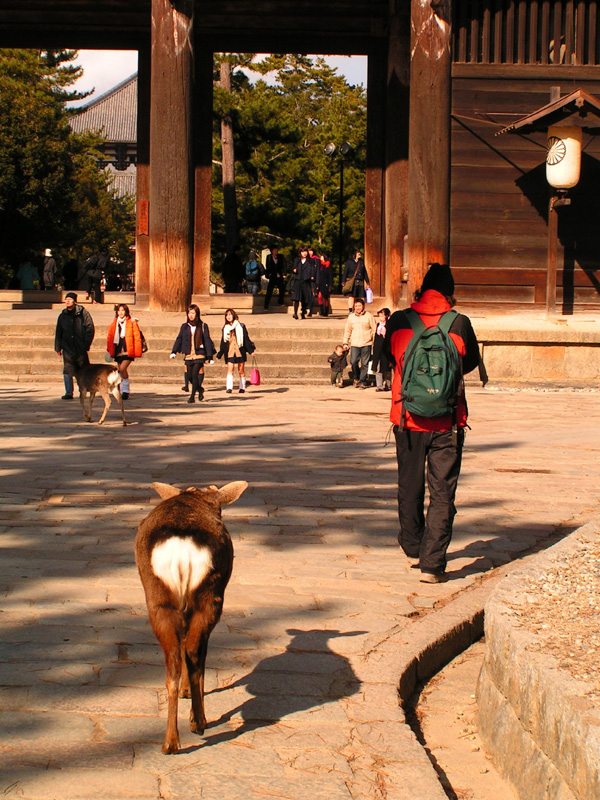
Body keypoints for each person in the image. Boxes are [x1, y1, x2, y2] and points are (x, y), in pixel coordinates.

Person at [384, 263, 480, 584]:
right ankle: (432, 564)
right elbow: (469, 363)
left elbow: (389, 358)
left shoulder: (399, 320)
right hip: (448, 422)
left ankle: (413, 544)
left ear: (423, 289)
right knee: (442, 493)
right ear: (449, 292)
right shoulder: (460, 323)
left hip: (407, 419)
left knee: (409, 486)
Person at [170, 304, 215, 403]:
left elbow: (207, 340)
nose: (191, 315)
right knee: (189, 376)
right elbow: (179, 338)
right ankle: (200, 389)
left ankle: (192, 396)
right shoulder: (185, 326)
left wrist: (210, 356)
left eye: (193, 313)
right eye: (189, 313)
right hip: (189, 354)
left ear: (197, 314)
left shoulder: (203, 326)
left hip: (199, 353)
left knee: (195, 374)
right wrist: (174, 351)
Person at [54, 292, 95, 400]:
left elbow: (89, 328)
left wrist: (86, 344)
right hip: (67, 347)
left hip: (80, 346)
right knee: (67, 370)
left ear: (74, 301)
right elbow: (59, 332)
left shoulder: (83, 313)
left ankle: (85, 388)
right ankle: (68, 392)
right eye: (66, 299)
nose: (67, 301)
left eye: (70, 299)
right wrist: (58, 347)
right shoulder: (62, 315)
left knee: (83, 369)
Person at [106, 303, 143, 400]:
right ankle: (122, 390)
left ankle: (125, 390)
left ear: (126, 311)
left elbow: (137, 337)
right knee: (122, 371)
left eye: (123, 310)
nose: (121, 312)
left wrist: (137, 350)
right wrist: (109, 350)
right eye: (119, 310)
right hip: (118, 350)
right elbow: (110, 337)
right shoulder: (114, 323)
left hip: (128, 350)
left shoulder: (132, 322)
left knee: (121, 369)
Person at [216, 308, 256, 394]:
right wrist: (220, 353)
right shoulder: (225, 328)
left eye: (230, 314)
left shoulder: (241, 326)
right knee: (230, 369)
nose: (228, 317)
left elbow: (246, 339)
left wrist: (251, 350)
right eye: (227, 315)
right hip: (230, 351)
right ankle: (229, 387)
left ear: (234, 315)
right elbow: (223, 341)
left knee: (241, 370)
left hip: (239, 350)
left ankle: (242, 387)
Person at [343, 297, 376, 389]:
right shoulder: (351, 317)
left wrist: (374, 342)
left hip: (366, 343)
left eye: (359, 306)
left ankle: (362, 381)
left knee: (365, 363)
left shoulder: (369, 316)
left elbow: (374, 330)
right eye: (356, 306)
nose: (357, 307)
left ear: (363, 306)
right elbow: (348, 330)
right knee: (353, 362)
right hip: (355, 343)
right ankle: (356, 377)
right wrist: (345, 342)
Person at [291, 246, 316, 320]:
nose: (304, 253)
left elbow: (312, 270)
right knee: (296, 298)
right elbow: (293, 268)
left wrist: (312, 276)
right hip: (298, 280)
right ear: (300, 253)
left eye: (305, 251)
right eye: (302, 252)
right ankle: (295, 313)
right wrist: (294, 270)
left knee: (304, 298)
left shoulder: (310, 261)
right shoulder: (297, 260)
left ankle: (303, 313)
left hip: (306, 281)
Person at [372, 307, 391, 391]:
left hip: (387, 348)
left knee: (387, 368)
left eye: (382, 316)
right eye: (379, 316)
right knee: (378, 367)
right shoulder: (378, 325)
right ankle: (379, 385)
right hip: (378, 348)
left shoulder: (390, 325)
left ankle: (388, 384)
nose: (381, 318)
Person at [264, 245, 286, 310]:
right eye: (274, 250)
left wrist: (284, 273)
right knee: (269, 290)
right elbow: (268, 265)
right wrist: (269, 273)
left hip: (279, 275)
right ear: (271, 251)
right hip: (272, 276)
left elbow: (284, 265)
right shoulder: (269, 257)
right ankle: (266, 305)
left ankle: (280, 301)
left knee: (282, 289)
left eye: (277, 249)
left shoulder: (280, 256)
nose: (276, 251)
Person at [315, 253, 333, 317]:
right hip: (320, 283)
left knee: (325, 297)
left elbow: (330, 275)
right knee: (319, 296)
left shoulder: (328, 264)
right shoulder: (319, 265)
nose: (321, 258)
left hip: (326, 283)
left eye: (322, 257)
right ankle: (321, 310)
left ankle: (326, 311)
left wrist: (330, 285)